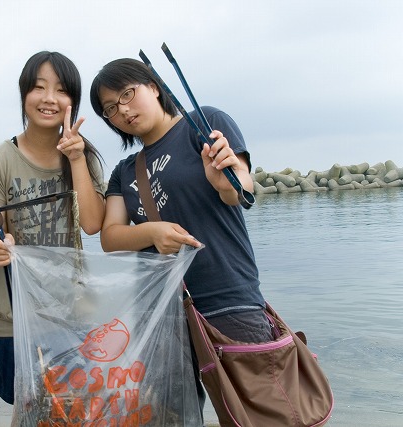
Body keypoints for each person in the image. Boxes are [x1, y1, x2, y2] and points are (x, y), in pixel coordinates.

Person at [89, 58, 273, 422]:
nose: (122, 110)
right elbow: (110, 237)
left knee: (261, 414)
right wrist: (151, 232)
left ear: (153, 86)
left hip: (229, 300)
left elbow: (241, 188)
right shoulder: (124, 171)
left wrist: (225, 182)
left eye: (127, 94)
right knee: (171, 417)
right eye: (110, 108)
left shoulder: (203, 123)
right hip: (161, 313)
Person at [0, 51, 106, 405]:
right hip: (13, 314)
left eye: (61, 90)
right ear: (24, 94)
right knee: (26, 408)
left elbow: (91, 224)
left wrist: (75, 158)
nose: (49, 98)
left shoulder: (84, 157)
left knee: (74, 409)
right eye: (39, 87)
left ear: (73, 100)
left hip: (71, 311)